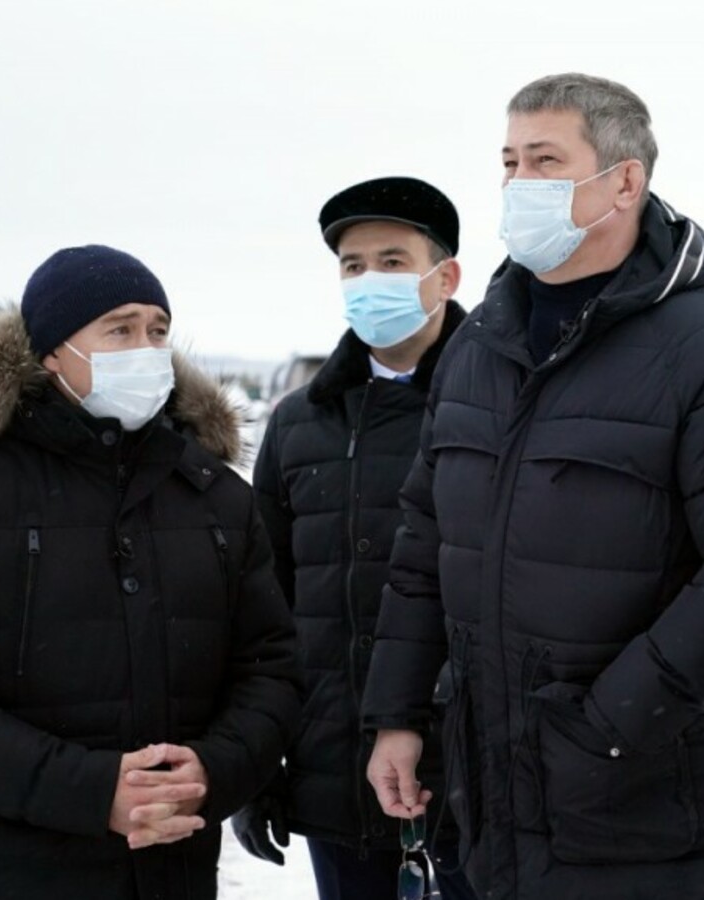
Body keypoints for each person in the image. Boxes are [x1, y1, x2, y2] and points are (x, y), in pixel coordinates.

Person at [360, 73, 704, 900]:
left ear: (624, 181)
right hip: (492, 799)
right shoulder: (481, 344)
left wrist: (610, 724)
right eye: (509, 162)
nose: (518, 184)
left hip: (644, 813)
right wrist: (398, 714)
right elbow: (426, 542)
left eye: (545, 161)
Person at [0, 245, 302, 900]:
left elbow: (271, 668)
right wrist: (92, 792)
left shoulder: (214, 496)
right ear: (51, 354)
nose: (146, 349)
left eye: (158, 330)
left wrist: (213, 771)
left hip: (168, 869)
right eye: (119, 329)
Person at [233, 176, 475, 900]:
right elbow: (260, 607)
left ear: (445, 277)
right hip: (334, 778)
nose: (370, 280)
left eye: (393, 262)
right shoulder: (298, 423)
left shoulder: (493, 404)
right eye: (353, 265)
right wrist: (256, 763)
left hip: (472, 787)